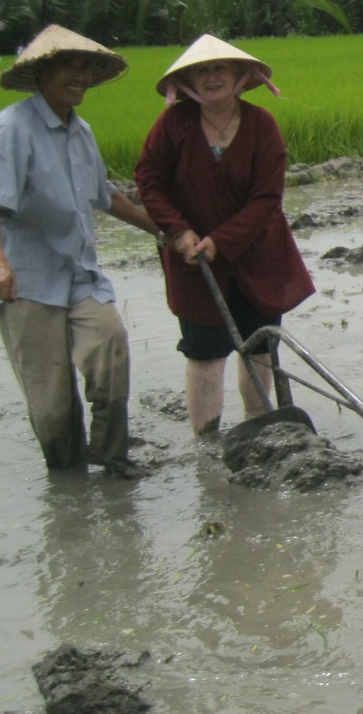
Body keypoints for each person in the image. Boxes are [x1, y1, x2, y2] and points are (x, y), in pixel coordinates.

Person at [0, 25, 161, 475]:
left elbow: (106, 196)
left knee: (110, 341)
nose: (78, 78)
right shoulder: (11, 128)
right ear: (40, 74)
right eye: (66, 67)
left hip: (81, 276)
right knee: (52, 405)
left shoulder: (82, 132)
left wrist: (162, 230)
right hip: (27, 282)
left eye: (83, 69)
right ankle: (68, 482)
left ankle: (112, 456)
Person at [134, 35, 313, 435]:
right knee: (205, 350)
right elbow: (148, 181)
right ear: (189, 82)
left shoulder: (261, 125)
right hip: (192, 258)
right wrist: (179, 232)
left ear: (238, 77)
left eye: (220, 69)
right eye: (202, 70)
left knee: (261, 345)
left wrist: (223, 240)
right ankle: (206, 441)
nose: (212, 77)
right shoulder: (173, 125)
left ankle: (260, 427)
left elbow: (267, 197)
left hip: (258, 253)